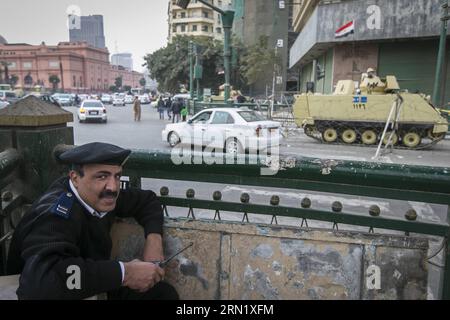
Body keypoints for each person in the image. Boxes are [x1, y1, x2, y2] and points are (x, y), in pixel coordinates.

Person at [6, 142, 179, 300]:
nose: (112, 187)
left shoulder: (98, 196)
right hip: (55, 292)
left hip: (90, 286)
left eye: (117, 176)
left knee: (162, 294)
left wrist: (154, 243)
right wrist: (125, 273)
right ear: (75, 178)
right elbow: (41, 284)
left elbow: (147, 200)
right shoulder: (56, 215)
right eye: (101, 177)